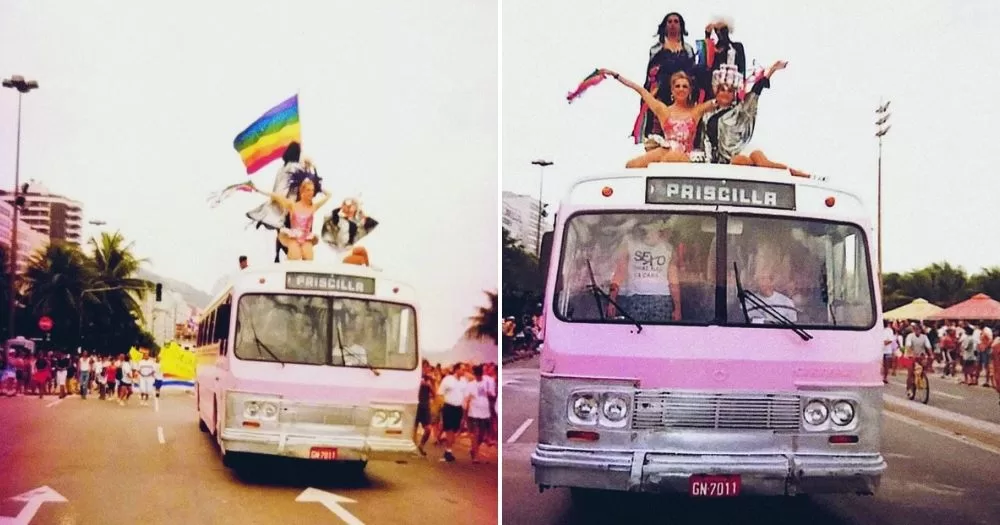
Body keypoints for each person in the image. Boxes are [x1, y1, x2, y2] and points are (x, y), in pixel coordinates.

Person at [601, 68, 717, 167]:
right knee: (631, 165)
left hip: (684, 155)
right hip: (666, 150)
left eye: (685, 86)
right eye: (677, 86)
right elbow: (641, 91)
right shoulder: (664, 111)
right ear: (672, 90)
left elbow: (719, 100)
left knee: (672, 157)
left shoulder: (696, 111)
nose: (681, 89)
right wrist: (616, 75)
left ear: (690, 90)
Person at [695, 50, 789, 165]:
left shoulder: (740, 111)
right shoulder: (707, 114)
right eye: (722, 90)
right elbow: (702, 139)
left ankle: (791, 171)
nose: (725, 94)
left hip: (736, 160)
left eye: (730, 91)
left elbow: (755, 92)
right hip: (711, 161)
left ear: (734, 94)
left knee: (755, 158)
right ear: (716, 92)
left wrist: (772, 70)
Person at [633, 12, 698, 143]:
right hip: (661, 92)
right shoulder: (656, 49)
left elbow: (692, 73)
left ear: (681, 26)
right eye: (670, 21)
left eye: (676, 21)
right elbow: (651, 73)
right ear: (665, 25)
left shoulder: (688, 49)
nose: (673, 24)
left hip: (682, 92)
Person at [608, 218, 682, 322]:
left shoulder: (668, 249)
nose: (648, 233)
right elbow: (619, 273)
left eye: (652, 229)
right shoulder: (630, 245)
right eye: (646, 230)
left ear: (659, 231)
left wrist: (677, 308)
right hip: (636, 298)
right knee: (635, 331)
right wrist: (612, 301)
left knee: (659, 331)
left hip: (661, 299)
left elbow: (673, 280)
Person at [253, 170, 330, 261]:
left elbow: (329, 195)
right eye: (308, 190)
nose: (311, 192)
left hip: (306, 239)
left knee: (309, 259)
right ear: (302, 191)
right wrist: (258, 190)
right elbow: (275, 196)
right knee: (294, 257)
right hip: (294, 237)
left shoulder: (313, 207)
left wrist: (319, 187)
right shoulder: (292, 205)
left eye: (313, 190)